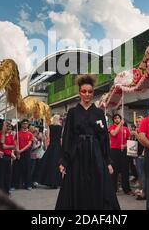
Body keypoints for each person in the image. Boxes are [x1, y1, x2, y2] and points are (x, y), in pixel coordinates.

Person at [55, 74, 120, 210]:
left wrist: (107, 161)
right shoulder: (72, 113)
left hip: (96, 155)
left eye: (90, 92)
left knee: (98, 188)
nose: (87, 94)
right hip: (77, 155)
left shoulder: (99, 113)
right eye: (84, 91)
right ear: (79, 93)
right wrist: (64, 161)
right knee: (77, 187)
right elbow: (68, 137)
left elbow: (104, 139)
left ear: (93, 93)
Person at [108, 113, 133, 195]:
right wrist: (120, 125)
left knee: (125, 170)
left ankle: (126, 189)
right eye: (115, 118)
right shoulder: (111, 127)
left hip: (124, 151)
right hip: (114, 150)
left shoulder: (126, 128)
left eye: (118, 118)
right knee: (114, 171)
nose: (117, 119)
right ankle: (113, 189)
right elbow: (113, 133)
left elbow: (129, 140)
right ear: (113, 120)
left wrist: (125, 145)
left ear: (120, 119)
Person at [37, 114, 63, 189]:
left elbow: (48, 138)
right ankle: (57, 182)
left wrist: (46, 146)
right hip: (58, 147)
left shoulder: (50, 126)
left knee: (49, 163)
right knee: (57, 164)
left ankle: (49, 181)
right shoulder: (61, 127)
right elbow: (61, 138)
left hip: (51, 147)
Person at [0, 120, 15, 194]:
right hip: (1, 156)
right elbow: (2, 144)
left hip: (8, 157)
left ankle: (6, 191)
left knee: (8, 175)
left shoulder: (10, 135)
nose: (8, 127)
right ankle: (0, 192)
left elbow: (14, 146)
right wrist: (9, 147)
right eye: (7, 125)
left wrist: (8, 147)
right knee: (0, 176)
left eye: (9, 126)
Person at [11, 119, 33, 190]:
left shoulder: (30, 134)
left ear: (28, 125)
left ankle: (28, 185)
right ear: (21, 124)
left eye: (26, 124)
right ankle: (14, 185)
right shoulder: (17, 133)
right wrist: (17, 151)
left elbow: (29, 144)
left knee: (27, 169)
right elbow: (15, 142)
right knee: (16, 169)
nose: (25, 125)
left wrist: (21, 151)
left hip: (26, 153)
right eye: (23, 123)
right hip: (18, 153)